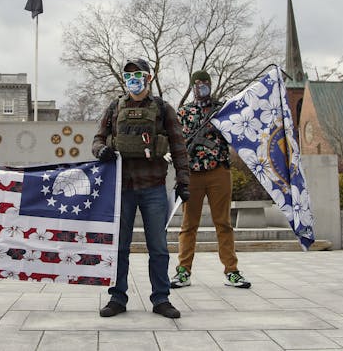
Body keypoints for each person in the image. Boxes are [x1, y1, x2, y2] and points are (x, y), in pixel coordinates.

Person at [92, 58, 190, 319]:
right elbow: (98, 139)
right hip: (121, 188)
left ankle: (161, 299)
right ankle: (117, 297)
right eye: (129, 75)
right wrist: (100, 150)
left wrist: (183, 180)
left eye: (137, 74)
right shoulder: (115, 107)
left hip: (154, 188)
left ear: (148, 77)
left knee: (157, 247)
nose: (132, 78)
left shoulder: (162, 108)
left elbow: (179, 146)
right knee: (120, 246)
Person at [170, 70, 251, 290]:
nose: (202, 87)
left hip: (219, 171)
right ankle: (183, 272)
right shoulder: (184, 112)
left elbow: (239, 131)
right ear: (192, 86)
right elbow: (176, 142)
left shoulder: (222, 110)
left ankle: (232, 271)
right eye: (198, 84)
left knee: (223, 223)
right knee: (188, 225)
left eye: (206, 83)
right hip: (193, 173)